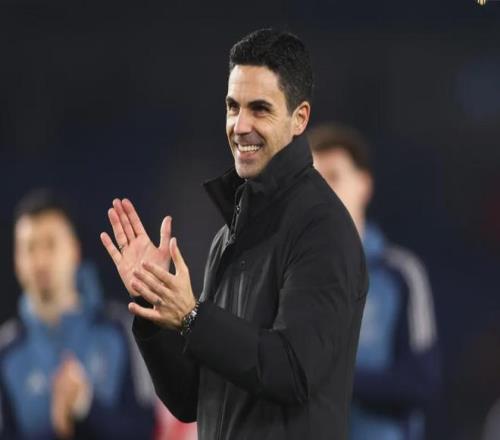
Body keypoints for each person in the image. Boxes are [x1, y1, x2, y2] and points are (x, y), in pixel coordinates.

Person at [100, 28, 368, 439]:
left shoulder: (322, 229)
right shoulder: (229, 237)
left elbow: (292, 371)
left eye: (259, 109)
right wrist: (156, 299)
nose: (240, 126)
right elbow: (191, 398)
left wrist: (193, 318)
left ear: (299, 118)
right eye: (232, 107)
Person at [309, 122, 440, 440]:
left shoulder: (400, 274)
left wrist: (333, 379)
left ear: (364, 185)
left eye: (334, 176)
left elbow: (420, 381)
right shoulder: (289, 276)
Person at [0, 189, 155, 439]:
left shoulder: (119, 331)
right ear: (16, 261)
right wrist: (57, 428)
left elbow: (146, 428)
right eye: (29, 248)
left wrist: (86, 407)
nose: (40, 260)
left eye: (51, 244)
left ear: (74, 250)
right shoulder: (6, 352)